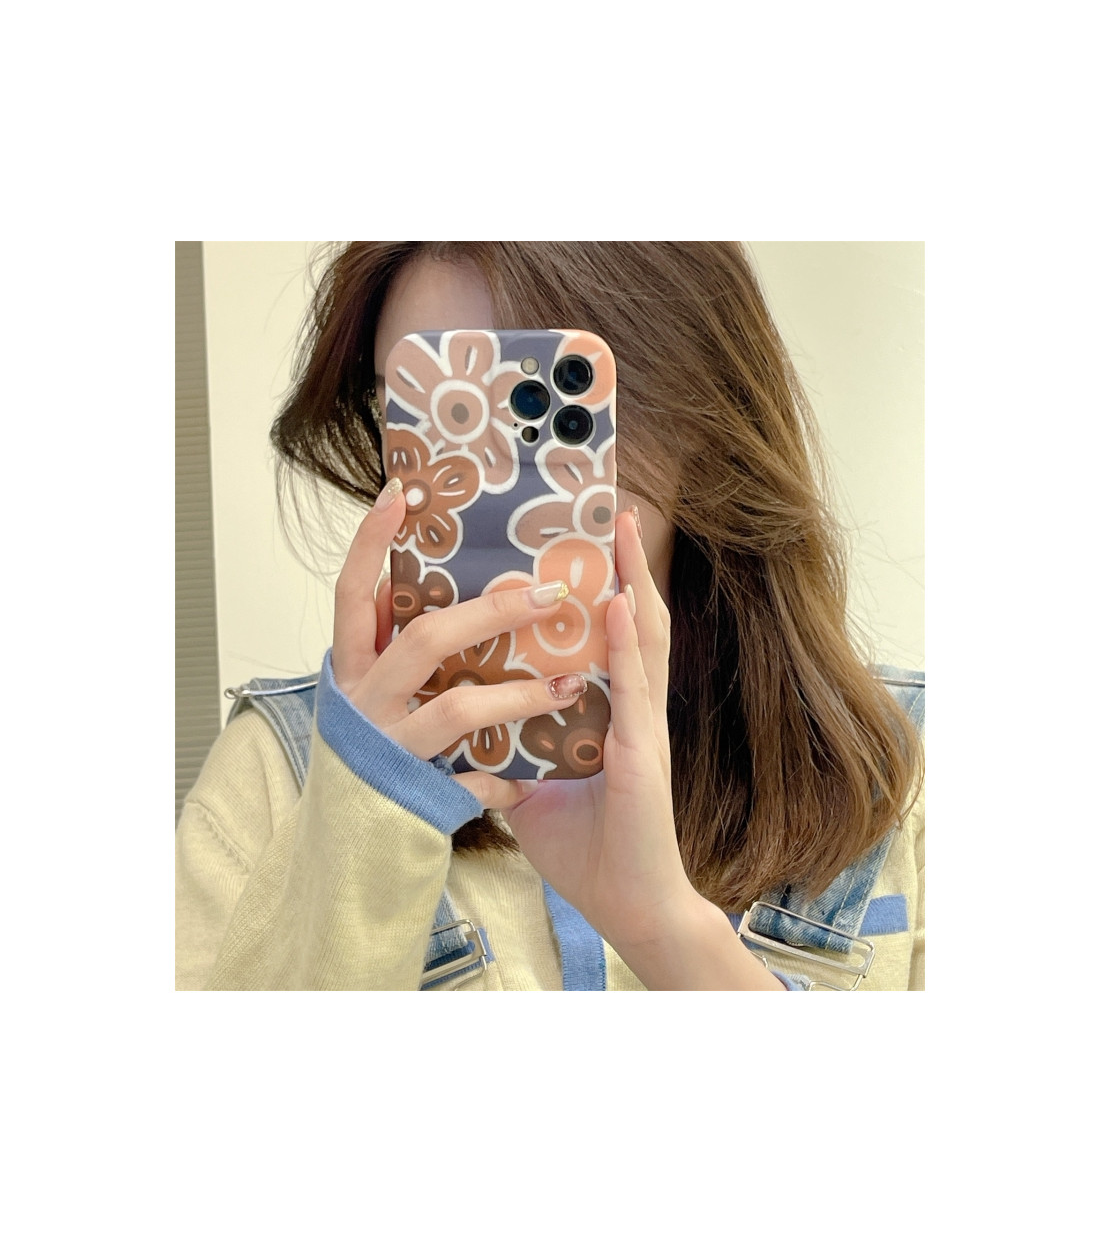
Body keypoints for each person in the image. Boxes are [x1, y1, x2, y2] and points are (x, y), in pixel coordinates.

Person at [176, 242, 924, 991]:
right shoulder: (270, 777)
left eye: (541, 401)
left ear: (698, 415)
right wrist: (358, 829)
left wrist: (665, 928)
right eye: (418, 410)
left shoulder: (896, 774)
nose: (483, 480)